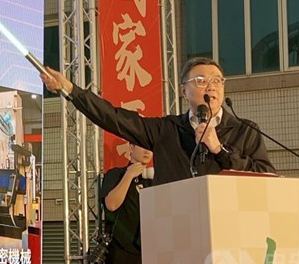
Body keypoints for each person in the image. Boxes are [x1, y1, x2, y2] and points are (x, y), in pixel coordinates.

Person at [40, 57, 275, 185]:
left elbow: (266, 176)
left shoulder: (245, 130)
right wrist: (70, 89)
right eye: (202, 80)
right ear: (184, 91)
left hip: (229, 232)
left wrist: (218, 149)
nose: (211, 86)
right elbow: (113, 117)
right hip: (176, 231)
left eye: (217, 80)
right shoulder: (167, 129)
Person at [101, 144, 153, 264]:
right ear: (130, 148)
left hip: (150, 255)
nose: (147, 151)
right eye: (142, 146)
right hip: (121, 255)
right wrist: (129, 175)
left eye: (150, 147)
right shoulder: (115, 175)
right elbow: (111, 204)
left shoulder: (155, 178)